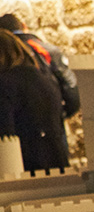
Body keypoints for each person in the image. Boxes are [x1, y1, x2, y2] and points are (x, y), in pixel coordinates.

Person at [0, 29, 69, 172]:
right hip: (54, 160)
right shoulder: (41, 77)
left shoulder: (6, 84)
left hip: (27, 165)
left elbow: (5, 134)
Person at [0, 13, 80, 121]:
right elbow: (70, 86)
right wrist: (61, 115)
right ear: (24, 26)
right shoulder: (46, 50)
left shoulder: (5, 55)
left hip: (19, 121)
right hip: (49, 118)